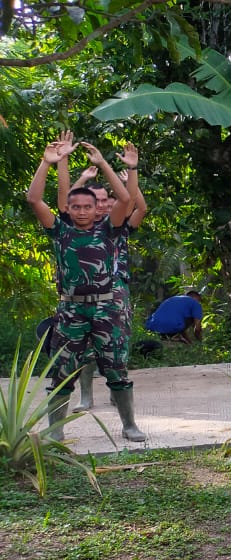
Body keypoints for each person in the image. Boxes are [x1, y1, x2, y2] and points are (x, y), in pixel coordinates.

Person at [29, 138, 146, 443]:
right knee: (62, 372)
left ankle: (129, 425)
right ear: (68, 209)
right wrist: (47, 162)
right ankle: (56, 431)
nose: (82, 211)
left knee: (116, 368)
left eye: (87, 207)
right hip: (71, 310)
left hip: (107, 308)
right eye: (76, 207)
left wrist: (109, 164)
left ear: (97, 210)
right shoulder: (60, 231)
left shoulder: (109, 230)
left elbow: (125, 199)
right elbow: (34, 199)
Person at [54, 136, 147, 413]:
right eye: (99, 201)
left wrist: (131, 171)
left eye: (105, 200)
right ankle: (86, 395)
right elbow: (66, 201)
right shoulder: (74, 225)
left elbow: (133, 202)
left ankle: (117, 391)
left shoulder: (115, 225)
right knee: (80, 349)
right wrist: (72, 169)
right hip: (80, 295)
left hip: (114, 291)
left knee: (115, 345)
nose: (103, 205)